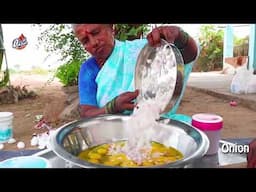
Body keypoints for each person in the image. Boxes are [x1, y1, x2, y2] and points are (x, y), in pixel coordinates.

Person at [72, 24, 198, 119]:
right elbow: (87, 112)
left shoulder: (145, 50)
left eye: (96, 32)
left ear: (111, 27)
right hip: (111, 135)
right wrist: (112, 107)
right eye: (85, 41)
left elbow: (187, 56)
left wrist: (180, 36)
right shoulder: (88, 70)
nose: (93, 43)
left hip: (157, 126)